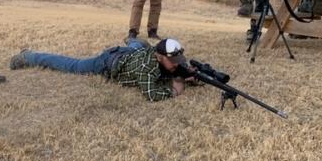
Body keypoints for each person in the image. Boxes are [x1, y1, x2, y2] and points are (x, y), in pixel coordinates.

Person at [10, 38, 189, 101]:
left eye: (177, 60)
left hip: (134, 53)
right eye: (172, 60)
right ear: (159, 56)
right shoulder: (146, 68)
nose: (176, 64)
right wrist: (174, 90)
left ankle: (134, 40)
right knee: (73, 66)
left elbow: (172, 68)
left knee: (137, 47)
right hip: (108, 61)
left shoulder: (159, 56)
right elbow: (151, 93)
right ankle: (29, 56)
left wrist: (188, 73)